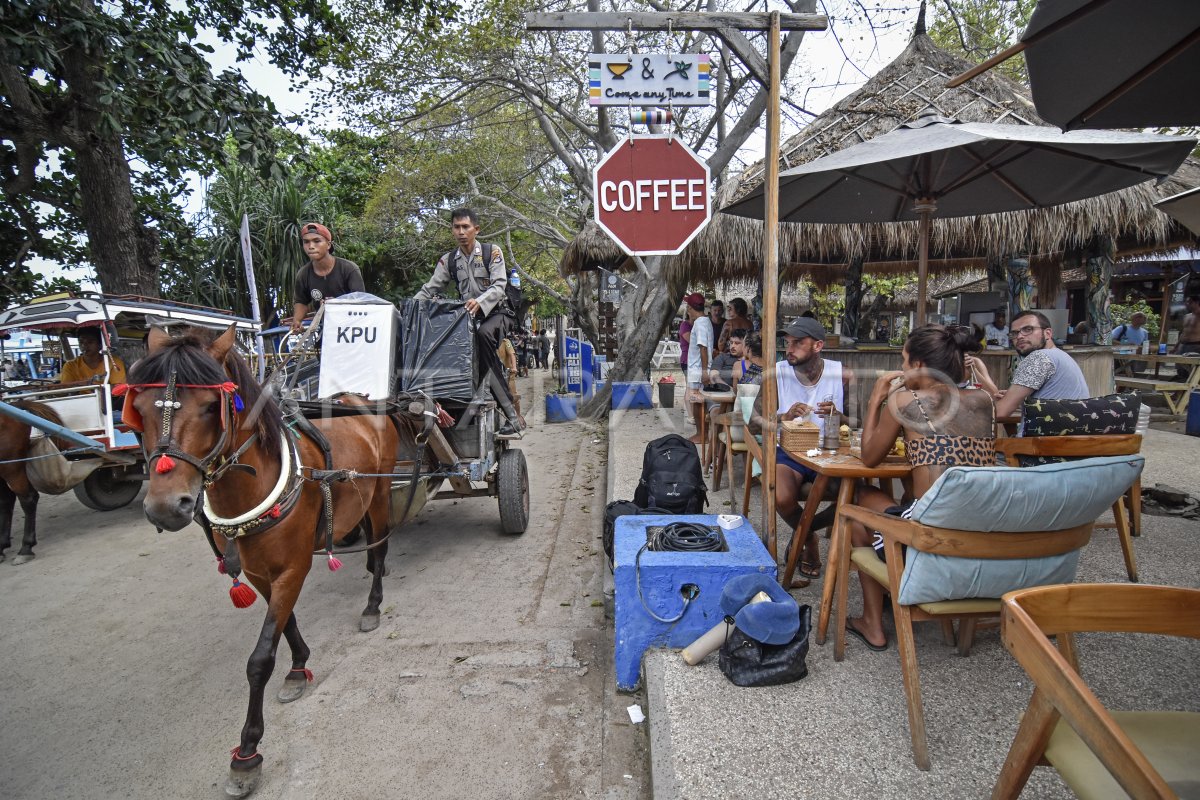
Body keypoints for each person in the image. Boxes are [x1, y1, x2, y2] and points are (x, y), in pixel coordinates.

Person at [841, 325, 996, 650]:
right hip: (977, 535)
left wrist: (875, 400)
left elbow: (869, 457)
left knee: (858, 514)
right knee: (875, 497)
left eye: (904, 360)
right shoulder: (984, 401)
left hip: (928, 541)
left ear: (919, 366)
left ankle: (872, 623)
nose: (901, 368)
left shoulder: (905, 400)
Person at [750, 317, 849, 582]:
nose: (789, 348)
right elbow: (753, 423)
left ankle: (801, 533)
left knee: (853, 497)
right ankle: (811, 538)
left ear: (817, 345)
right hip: (790, 452)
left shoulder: (840, 374)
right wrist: (782, 416)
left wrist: (839, 415)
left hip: (830, 453)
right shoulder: (775, 373)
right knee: (781, 497)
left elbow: (859, 421)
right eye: (787, 342)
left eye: (798, 342)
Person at [414, 208, 524, 435]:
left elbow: (499, 285)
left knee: (484, 335)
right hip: (469, 319)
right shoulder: (448, 261)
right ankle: (458, 411)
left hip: (498, 313)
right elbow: (429, 289)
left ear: (476, 229)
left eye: (466, 227)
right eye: (457, 227)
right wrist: (407, 309)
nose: (461, 232)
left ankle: (512, 415)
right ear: (452, 230)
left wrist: (480, 302)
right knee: (457, 353)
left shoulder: (492, 252)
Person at [968, 310, 1089, 421]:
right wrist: (1017, 400)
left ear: (1048, 333)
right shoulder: (1061, 356)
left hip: (1045, 442)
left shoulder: (1039, 357)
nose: (1020, 336)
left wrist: (962, 411)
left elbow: (1000, 412)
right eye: (1014, 333)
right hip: (1070, 439)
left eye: (1028, 329)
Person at [290, 222, 366, 332]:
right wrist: (297, 321)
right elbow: (301, 301)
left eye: (317, 241)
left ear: (328, 245)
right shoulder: (303, 274)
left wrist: (337, 304)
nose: (311, 246)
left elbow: (362, 301)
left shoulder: (349, 269)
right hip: (326, 331)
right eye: (306, 242)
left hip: (353, 329)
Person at [683, 293, 713, 443]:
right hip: (699, 368)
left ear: (689, 307)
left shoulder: (700, 323)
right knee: (699, 402)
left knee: (697, 402)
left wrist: (704, 371)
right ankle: (702, 433)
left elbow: (703, 348)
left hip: (697, 370)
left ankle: (701, 434)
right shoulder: (705, 321)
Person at [58, 327, 127, 385]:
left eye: (90, 342)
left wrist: (90, 384)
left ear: (100, 345)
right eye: (81, 342)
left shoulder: (114, 363)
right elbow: (66, 388)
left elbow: (118, 389)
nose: (84, 345)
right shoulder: (70, 366)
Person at [1175, 295, 1200, 379]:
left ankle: (1192, 388)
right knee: (1179, 367)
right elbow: (1183, 332)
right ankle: (1180, 387)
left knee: (1191, 369)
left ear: (1196, 303)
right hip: (1183, 345)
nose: (1187, 304)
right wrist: (1176, 347)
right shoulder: (1186, 316)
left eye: (1189, 302)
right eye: (1186, 302)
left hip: (1195, 345)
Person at [497, 336, 521, 417]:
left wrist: (514, 367)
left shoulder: (505, 341)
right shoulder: (489, 341)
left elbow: (512, 355)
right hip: (496, 374)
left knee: (513, 396)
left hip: (508, 374)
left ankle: (518, 416)